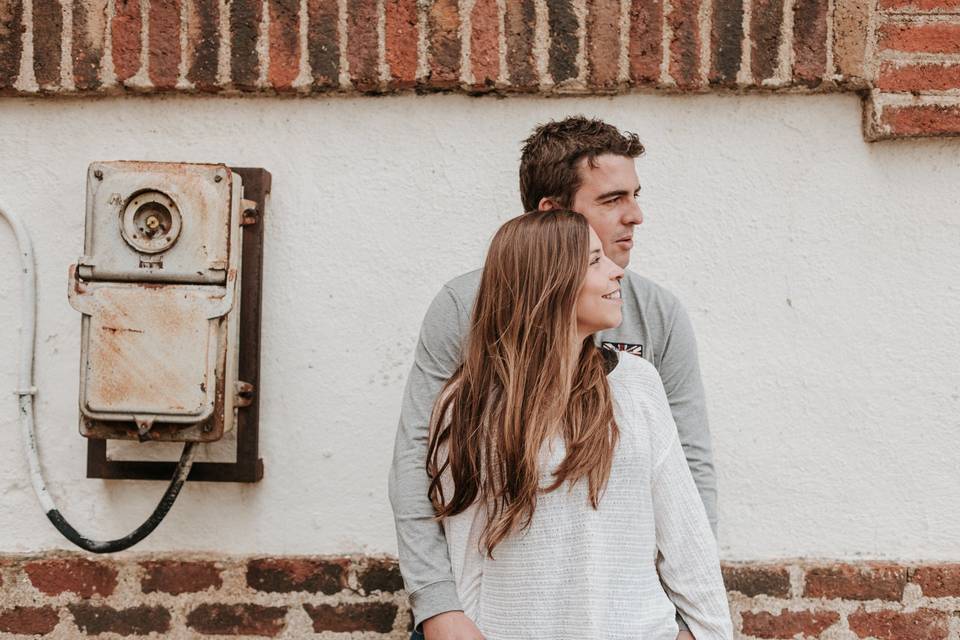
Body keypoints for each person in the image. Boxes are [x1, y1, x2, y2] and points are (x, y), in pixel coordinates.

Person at [389, 116, 717, 639]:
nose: (635, 215)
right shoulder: (465, 306)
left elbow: (687, 472)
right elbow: (420, 458)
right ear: (553, 215)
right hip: (491, 613)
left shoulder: (655, 315)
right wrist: (439, 606)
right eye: (611, 200)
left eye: (634, 195)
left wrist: (688, 619)